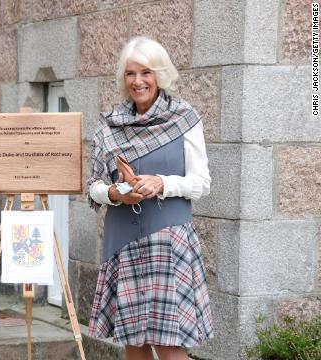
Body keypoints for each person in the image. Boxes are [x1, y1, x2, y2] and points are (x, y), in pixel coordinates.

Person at [86, 37, 213, 360]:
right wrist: (114, 193)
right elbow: (94, 187)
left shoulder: (184, 119)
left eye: (146, 72)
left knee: (170, 347)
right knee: (135, 344)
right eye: (131, 73)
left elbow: (201, 183)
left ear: (160, 74)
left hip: (169, 241)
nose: (138, 81)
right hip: (123, 242)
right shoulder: (109, 125)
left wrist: (161, 183)